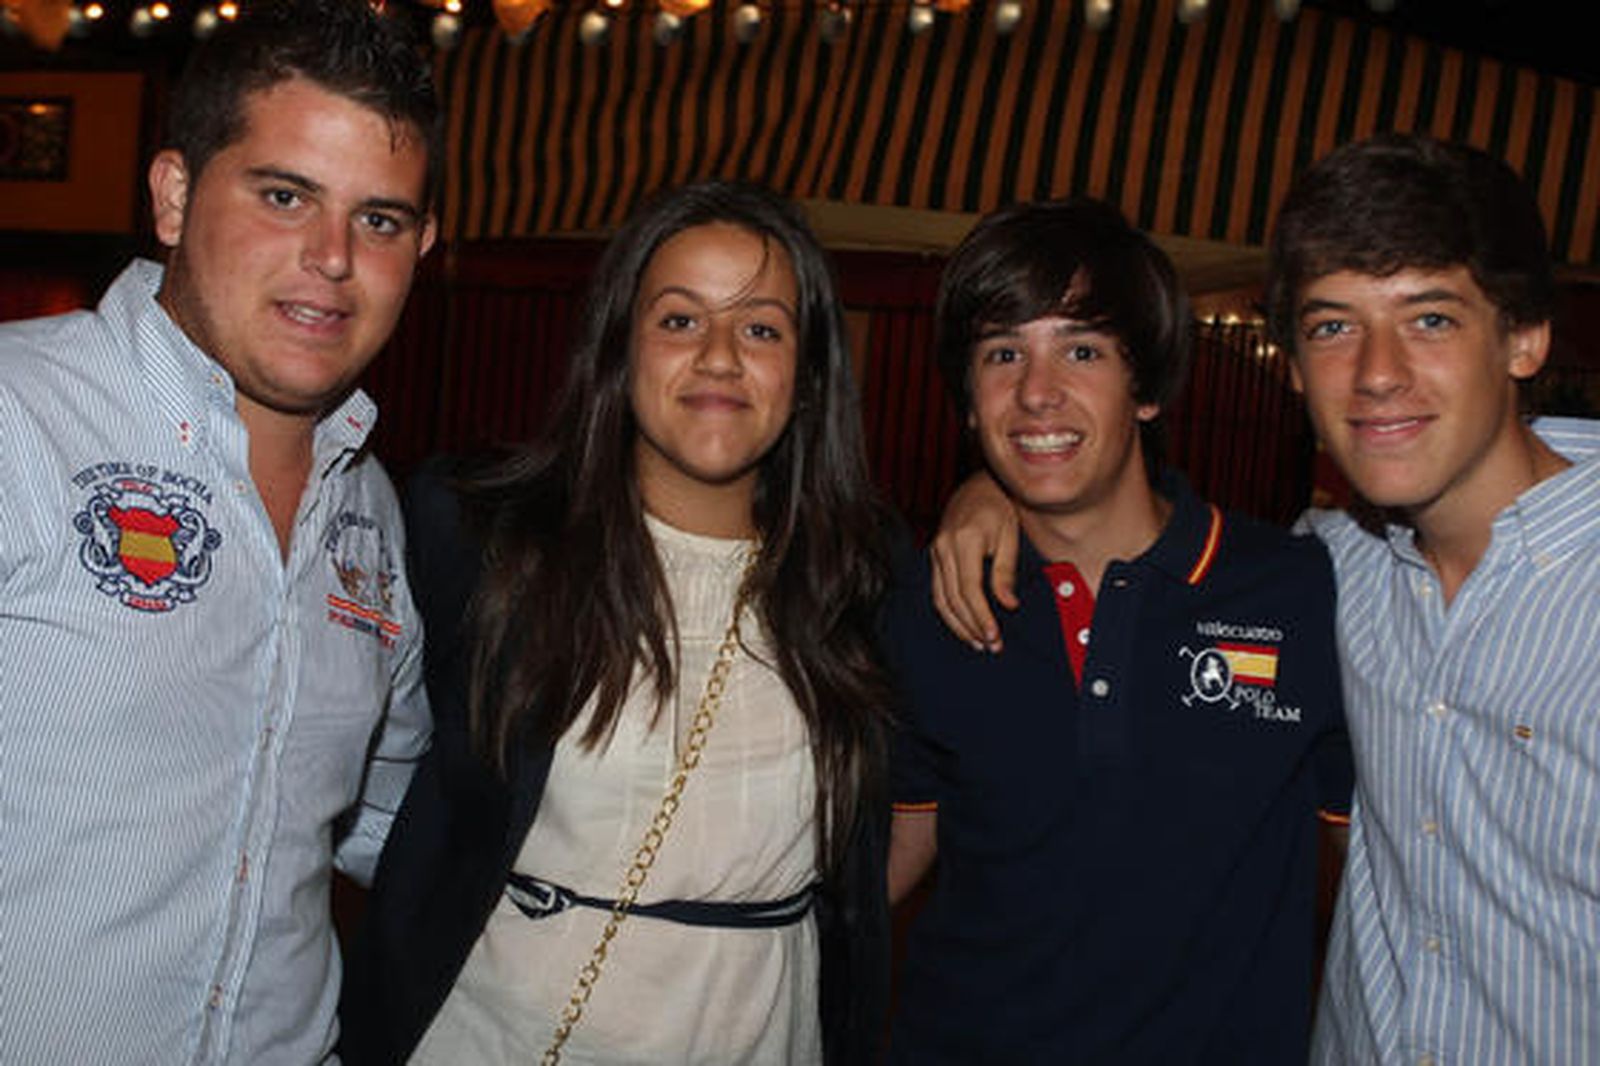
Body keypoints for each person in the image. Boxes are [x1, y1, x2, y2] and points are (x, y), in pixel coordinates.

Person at [935, 136, 1600, 1063]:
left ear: (1524, 336)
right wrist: (992, 489)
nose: (1376, 371)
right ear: (1289, 362)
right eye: (1332, 327)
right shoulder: (1331, 568)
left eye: (1430, 318)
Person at [339, 181, 893, 1065]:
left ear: (808, 373)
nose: (719, 357)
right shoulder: (481, 540)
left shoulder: (864, 581)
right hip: (495, 1034)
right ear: (618, 347)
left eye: (761, 329)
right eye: (680, 320)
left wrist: (987, 496)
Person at [0, 1, 437, 1060]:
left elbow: (399, 824)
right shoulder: (18, 419)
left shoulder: (371, 510)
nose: (332, 257)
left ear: (422, 247)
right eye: (285, 196)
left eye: (379, 221)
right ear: (174, 195)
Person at [883, 198, 1349, 1064]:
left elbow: (1386, 875)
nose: (1036, 392)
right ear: (967, 401)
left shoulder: (1296, 593)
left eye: (1083, 350)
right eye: (1002, 353)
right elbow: (888, 858)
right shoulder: (931, 600)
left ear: (1149, 388)